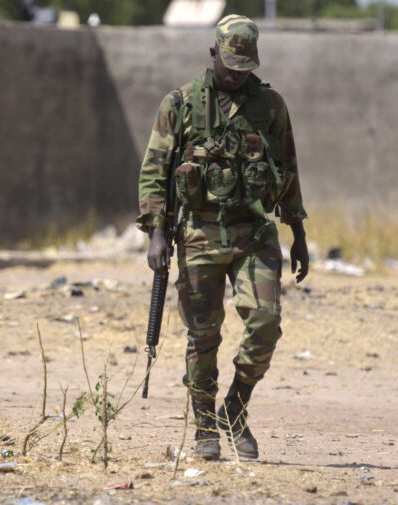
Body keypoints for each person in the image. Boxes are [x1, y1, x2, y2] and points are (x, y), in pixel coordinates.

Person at [136, 14, 309, 460]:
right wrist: (156, 235)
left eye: (245, 67)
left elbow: (287, 169)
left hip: (254, 233)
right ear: (213, 53)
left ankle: (236, 405)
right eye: (230, 65)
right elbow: (154, 172)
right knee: (203, 335)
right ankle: (205, 426)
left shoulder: (270, 105)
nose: (236, 74)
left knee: (266, 323)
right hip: (197, 233)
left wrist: (299, 232)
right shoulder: (180, 104)